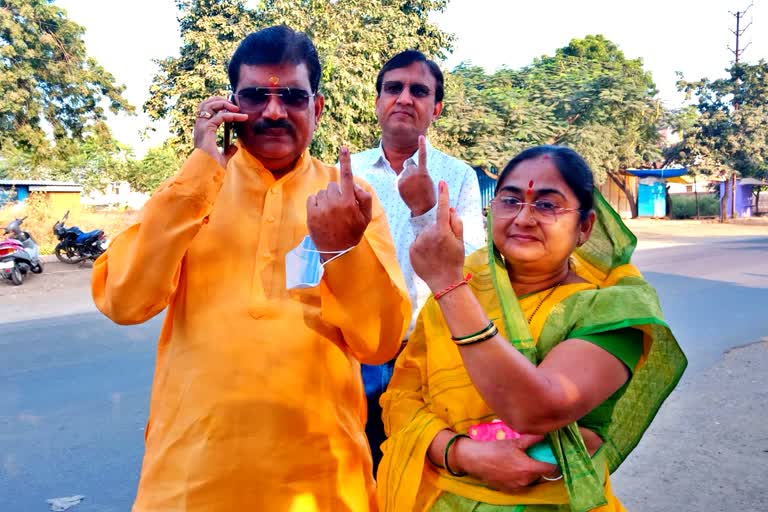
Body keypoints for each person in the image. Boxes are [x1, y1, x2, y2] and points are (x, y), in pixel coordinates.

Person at [92, 25, 411, 512]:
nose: (274, 111)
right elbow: (124, 300)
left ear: (318, 108)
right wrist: (200, 171)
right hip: (191, 479)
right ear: (230, 103)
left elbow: (380, 343)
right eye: (256, 95)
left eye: (293, 98)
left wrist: (342, 248)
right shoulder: (192, 191)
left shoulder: (348, 200)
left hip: (321, 482)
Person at [377, 145, 687, 511]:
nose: (524, 218)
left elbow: (538, 408)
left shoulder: (610, 309)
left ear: (584, 227)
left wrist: (448, 285)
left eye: (547, 204)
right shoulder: (467, 286)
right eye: (510, 201)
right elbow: (400, 399)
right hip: (438, 498)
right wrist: (461, 453)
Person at [349, 50, 485, 472]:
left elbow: (472, 268)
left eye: (419, 91)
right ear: (377, 102)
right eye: (393, 88)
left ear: (436, 108)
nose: (404, 98)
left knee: (418, 467)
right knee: (360, 464)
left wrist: (426, 209)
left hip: (427, 351)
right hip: (356, 351)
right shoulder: (346, 173)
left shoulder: (458, 177)